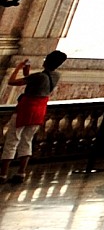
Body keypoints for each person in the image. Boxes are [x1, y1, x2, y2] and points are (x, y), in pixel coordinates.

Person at [3, 51, 64, 184]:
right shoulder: (56, 75)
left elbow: (12, 82)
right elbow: (32, 80)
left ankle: (2, 174)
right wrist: (27, 71)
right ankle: (21, 172)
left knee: (12, 140)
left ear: (46, 61)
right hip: (39, 110)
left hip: (26, 109)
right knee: (27, 141)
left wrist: (18, 67)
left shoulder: (39, 76)